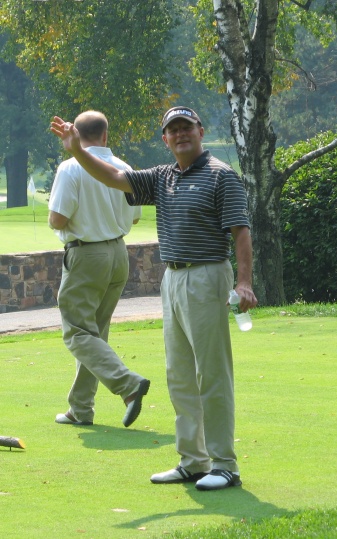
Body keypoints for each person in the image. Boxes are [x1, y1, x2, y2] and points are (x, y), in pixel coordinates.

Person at [50, 106, 258, 490]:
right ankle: (193, 461)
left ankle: (225, 465)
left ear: (200, 130)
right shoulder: (162, 177)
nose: (180, 135)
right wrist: (77, 150)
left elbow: (240, 231)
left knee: (210, 374)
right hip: (173, 278)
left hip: (208, 274)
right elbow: (113, 176)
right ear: (165, 138)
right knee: (178, 375)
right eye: (172, 130)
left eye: (186, 128)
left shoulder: (221, 176)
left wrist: (244, 282)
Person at [48, 110, 150, 428]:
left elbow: (57, 220)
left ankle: (127, 384)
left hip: (86, 256)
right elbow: (134, 218)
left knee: (77, 332)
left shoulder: (70, 167)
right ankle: (81, 408)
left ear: (76, 135)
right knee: (95, 333)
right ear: (106, 135)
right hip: (119, 254)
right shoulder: (123, 168)